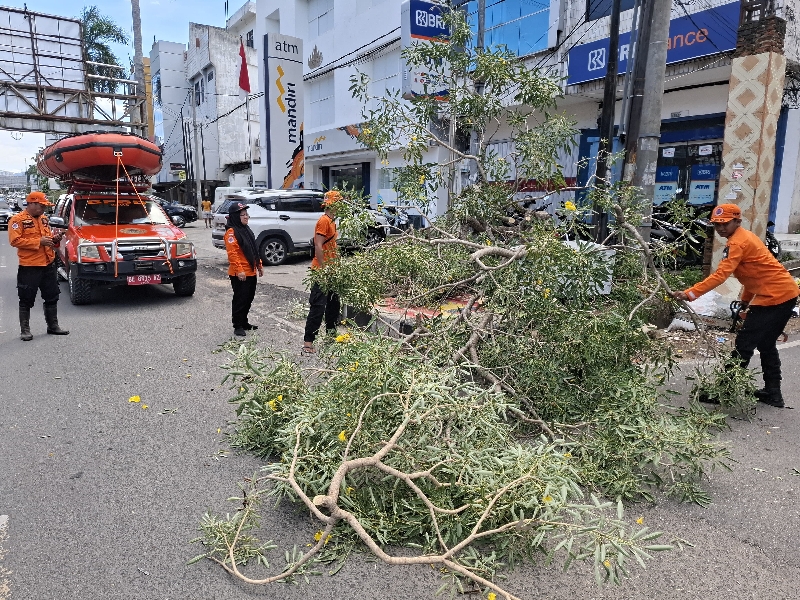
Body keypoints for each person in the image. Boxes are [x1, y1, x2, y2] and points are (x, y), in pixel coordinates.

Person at [672, 204, 799, 407]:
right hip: (782, 294)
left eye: (725, 223)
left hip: (775, 297)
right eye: (716, 224)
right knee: (766, 344)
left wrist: (691, 293)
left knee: (744, 344)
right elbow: (753, 273)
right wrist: (746, 301)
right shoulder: (743, 238)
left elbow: (721, 276)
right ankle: (773, 393)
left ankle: (724, 391)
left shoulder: (738, 243)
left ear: (737, 222)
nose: (720, 228)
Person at [8, 191, 69, 341]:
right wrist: (38, 242)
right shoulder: (17, 220)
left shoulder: (44, 220)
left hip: (48, 263)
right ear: (31, 204)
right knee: (26, 298)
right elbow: (15, 241)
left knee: (52, 296)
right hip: (29, 266)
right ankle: (25, 330)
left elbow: (47, 239)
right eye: (41, 206)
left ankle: (53, 326)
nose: (43, 209)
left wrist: (55, 239)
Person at [302, 190, 341, 354]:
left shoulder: (332, 221)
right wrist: (324, 269)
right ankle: (308, 343)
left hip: (332, 271)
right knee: (318, 306)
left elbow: (331, 246)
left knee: (333, 305)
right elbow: (318, 246)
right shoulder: (323, 221)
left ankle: (331, 336)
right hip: (321, 271)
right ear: (332, 204)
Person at [224, 202, 263, 337]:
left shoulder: (246, 229)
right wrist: (240, 270)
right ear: (235, 216)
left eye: (247, 214)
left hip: (250, 271)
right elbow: (233, 254)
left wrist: (259, 265)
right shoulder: (231, 232)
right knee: (240, 299)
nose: (246, 217)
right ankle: (238, 325)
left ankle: (244, 322)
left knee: (249, 298)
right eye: (243, 215)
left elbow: (253, 250)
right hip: (239, 273)